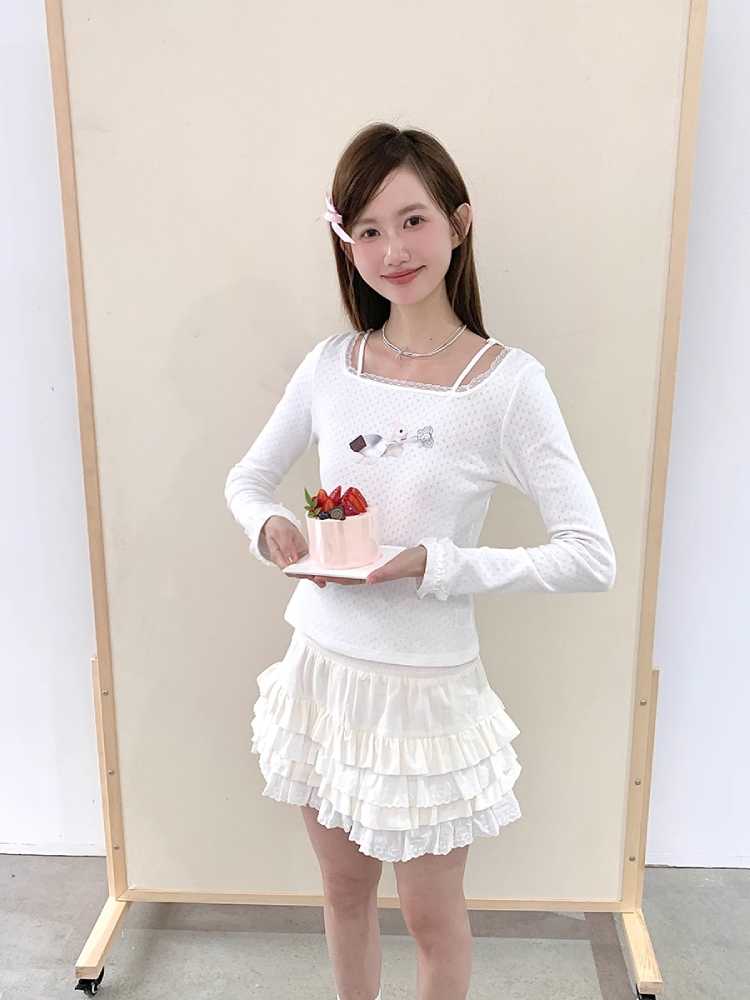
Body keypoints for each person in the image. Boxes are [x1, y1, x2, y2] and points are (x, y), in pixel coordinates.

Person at [224, 122, 616, 1000]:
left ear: (458, 223)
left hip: (428, 693)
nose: (392, 251)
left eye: (412, 221)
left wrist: (434, 563)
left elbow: (590, 556)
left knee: (433, 918)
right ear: (346, 242)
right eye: (367, 229)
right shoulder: (332, 365)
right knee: (343, 894)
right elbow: (247, 480)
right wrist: (271, 526)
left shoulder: (507, 385)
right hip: (322, 672)